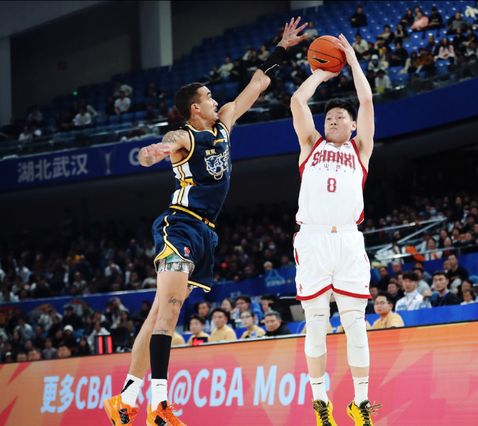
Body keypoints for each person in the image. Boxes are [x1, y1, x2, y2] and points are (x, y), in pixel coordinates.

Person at [103, 18, 308, 426]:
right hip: (178, 225)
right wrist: (152, 152)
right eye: (209, 97)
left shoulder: (225, 122)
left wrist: (281, 49)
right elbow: (161, 146)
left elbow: (258, 84)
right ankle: (159, 404)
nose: (216, 100)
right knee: (170, 309)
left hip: (205, 234)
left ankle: (125, 398)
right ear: (195, 108)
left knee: (159, 313)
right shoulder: (184, 136)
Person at [290, 33, 380, 425]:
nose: (333, 119)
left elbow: (367, 100)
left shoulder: (361, 150)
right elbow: (297, 102)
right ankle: (320, 402)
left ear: (353, 125)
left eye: (341, 117)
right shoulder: (310, 144)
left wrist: (353, 62)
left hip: (347, 238)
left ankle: (360, 402)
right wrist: (321, 73)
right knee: (315, 322)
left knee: (355, 322)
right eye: (329, 116)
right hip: (312, 237)